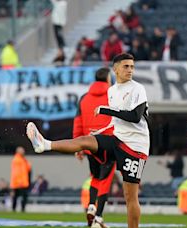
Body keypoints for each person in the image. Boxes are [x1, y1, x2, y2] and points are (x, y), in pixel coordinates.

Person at [26, 53, 150, 228]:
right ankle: (44, 144)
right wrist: (99, 131)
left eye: (132, 66)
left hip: (136, 147)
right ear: (115, 69)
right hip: (117, 139)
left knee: (130, 196)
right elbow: (116, 122)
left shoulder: (138, 88)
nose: (130, 70)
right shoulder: (112, 91)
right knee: (85, 140)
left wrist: (106, 111)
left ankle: (101, 216)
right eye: (126, 66)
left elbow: (135, 117)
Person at [73, 67, 116, 227]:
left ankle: (91, 205)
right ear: (107, 79)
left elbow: (78, 123)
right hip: (109, 144)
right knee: (105, 180)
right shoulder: (113, 95)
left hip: (89, 144)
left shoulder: (84, 98)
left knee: (95, 177)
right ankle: (98, 217)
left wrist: (77, 146)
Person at [10, 146, 31, 212]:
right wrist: (19, 182)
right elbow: (17, 172)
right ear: (18, 151)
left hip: (24, 182)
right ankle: (14, 209)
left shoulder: (23, 159)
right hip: (19, 183)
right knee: (16, 197)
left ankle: (22, 209)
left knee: (22, 196)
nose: (23, 151)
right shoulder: (17, 160)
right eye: (22, 150)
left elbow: (27, 169)